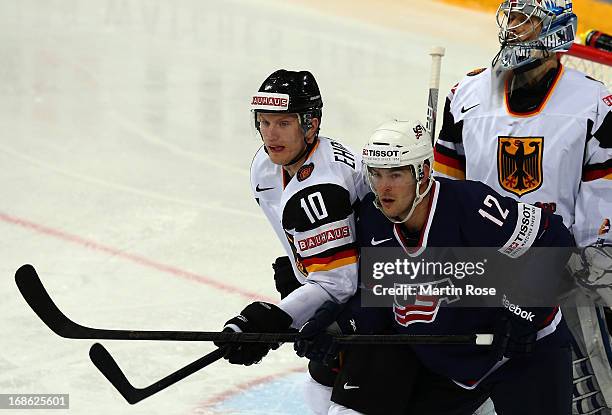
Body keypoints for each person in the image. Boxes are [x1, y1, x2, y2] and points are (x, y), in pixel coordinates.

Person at [298, 119, 576, 414]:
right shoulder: (372, 219)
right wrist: (339, 325)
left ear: (424, 173)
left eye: (395, 174)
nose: (383, 188)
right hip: (452, 369)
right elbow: (380, 299)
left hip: (522, 355)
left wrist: (525, 313)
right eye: (376, 175)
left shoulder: (470, 205)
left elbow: (554, 238)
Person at [433, 1, 612, 412]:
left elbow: (600, 206)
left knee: (588, 395)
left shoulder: (594, 104)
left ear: (555, 30)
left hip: (562, 272)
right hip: (481, 271)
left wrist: (567, 276)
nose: (512, 29)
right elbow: (446, 191)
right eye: (510, 18)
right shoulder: (466, 95)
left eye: (525, 20)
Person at [216, 69, 369, 414]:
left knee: (345, 402)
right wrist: (300, 268)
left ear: (310, 125)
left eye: (283, 123)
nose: (271, 135)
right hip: (348, 279)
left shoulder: (323, 185)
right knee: (319, 386)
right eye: (264, 122)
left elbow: (338, 285)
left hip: (378, 297)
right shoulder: (266, 166)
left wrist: (273, 319)